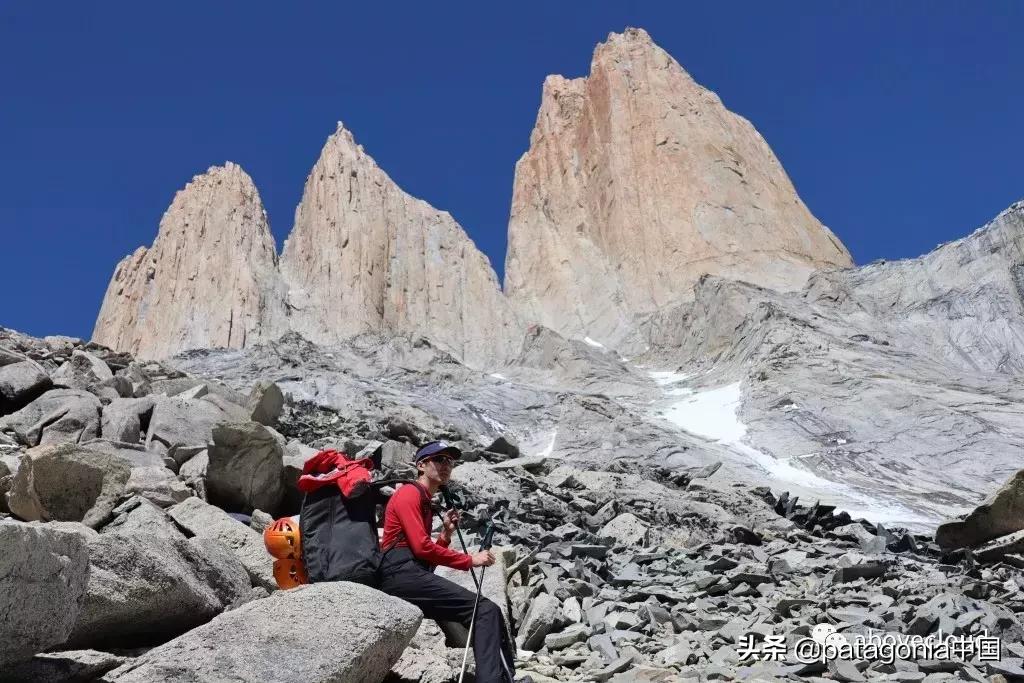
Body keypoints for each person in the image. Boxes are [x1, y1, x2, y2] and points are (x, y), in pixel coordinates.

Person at [379, 440, 517, 683]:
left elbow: (424, 561)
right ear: (421, 465)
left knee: (487, 611)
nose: (446, 465)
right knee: (484, 611)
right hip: (399, 576)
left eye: (450, 461)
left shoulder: (424, 501)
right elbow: (422, 549)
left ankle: (504, 677)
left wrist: (445, 536)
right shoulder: (409, 493)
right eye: (439, 459)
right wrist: (470, 559)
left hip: (406, 576)